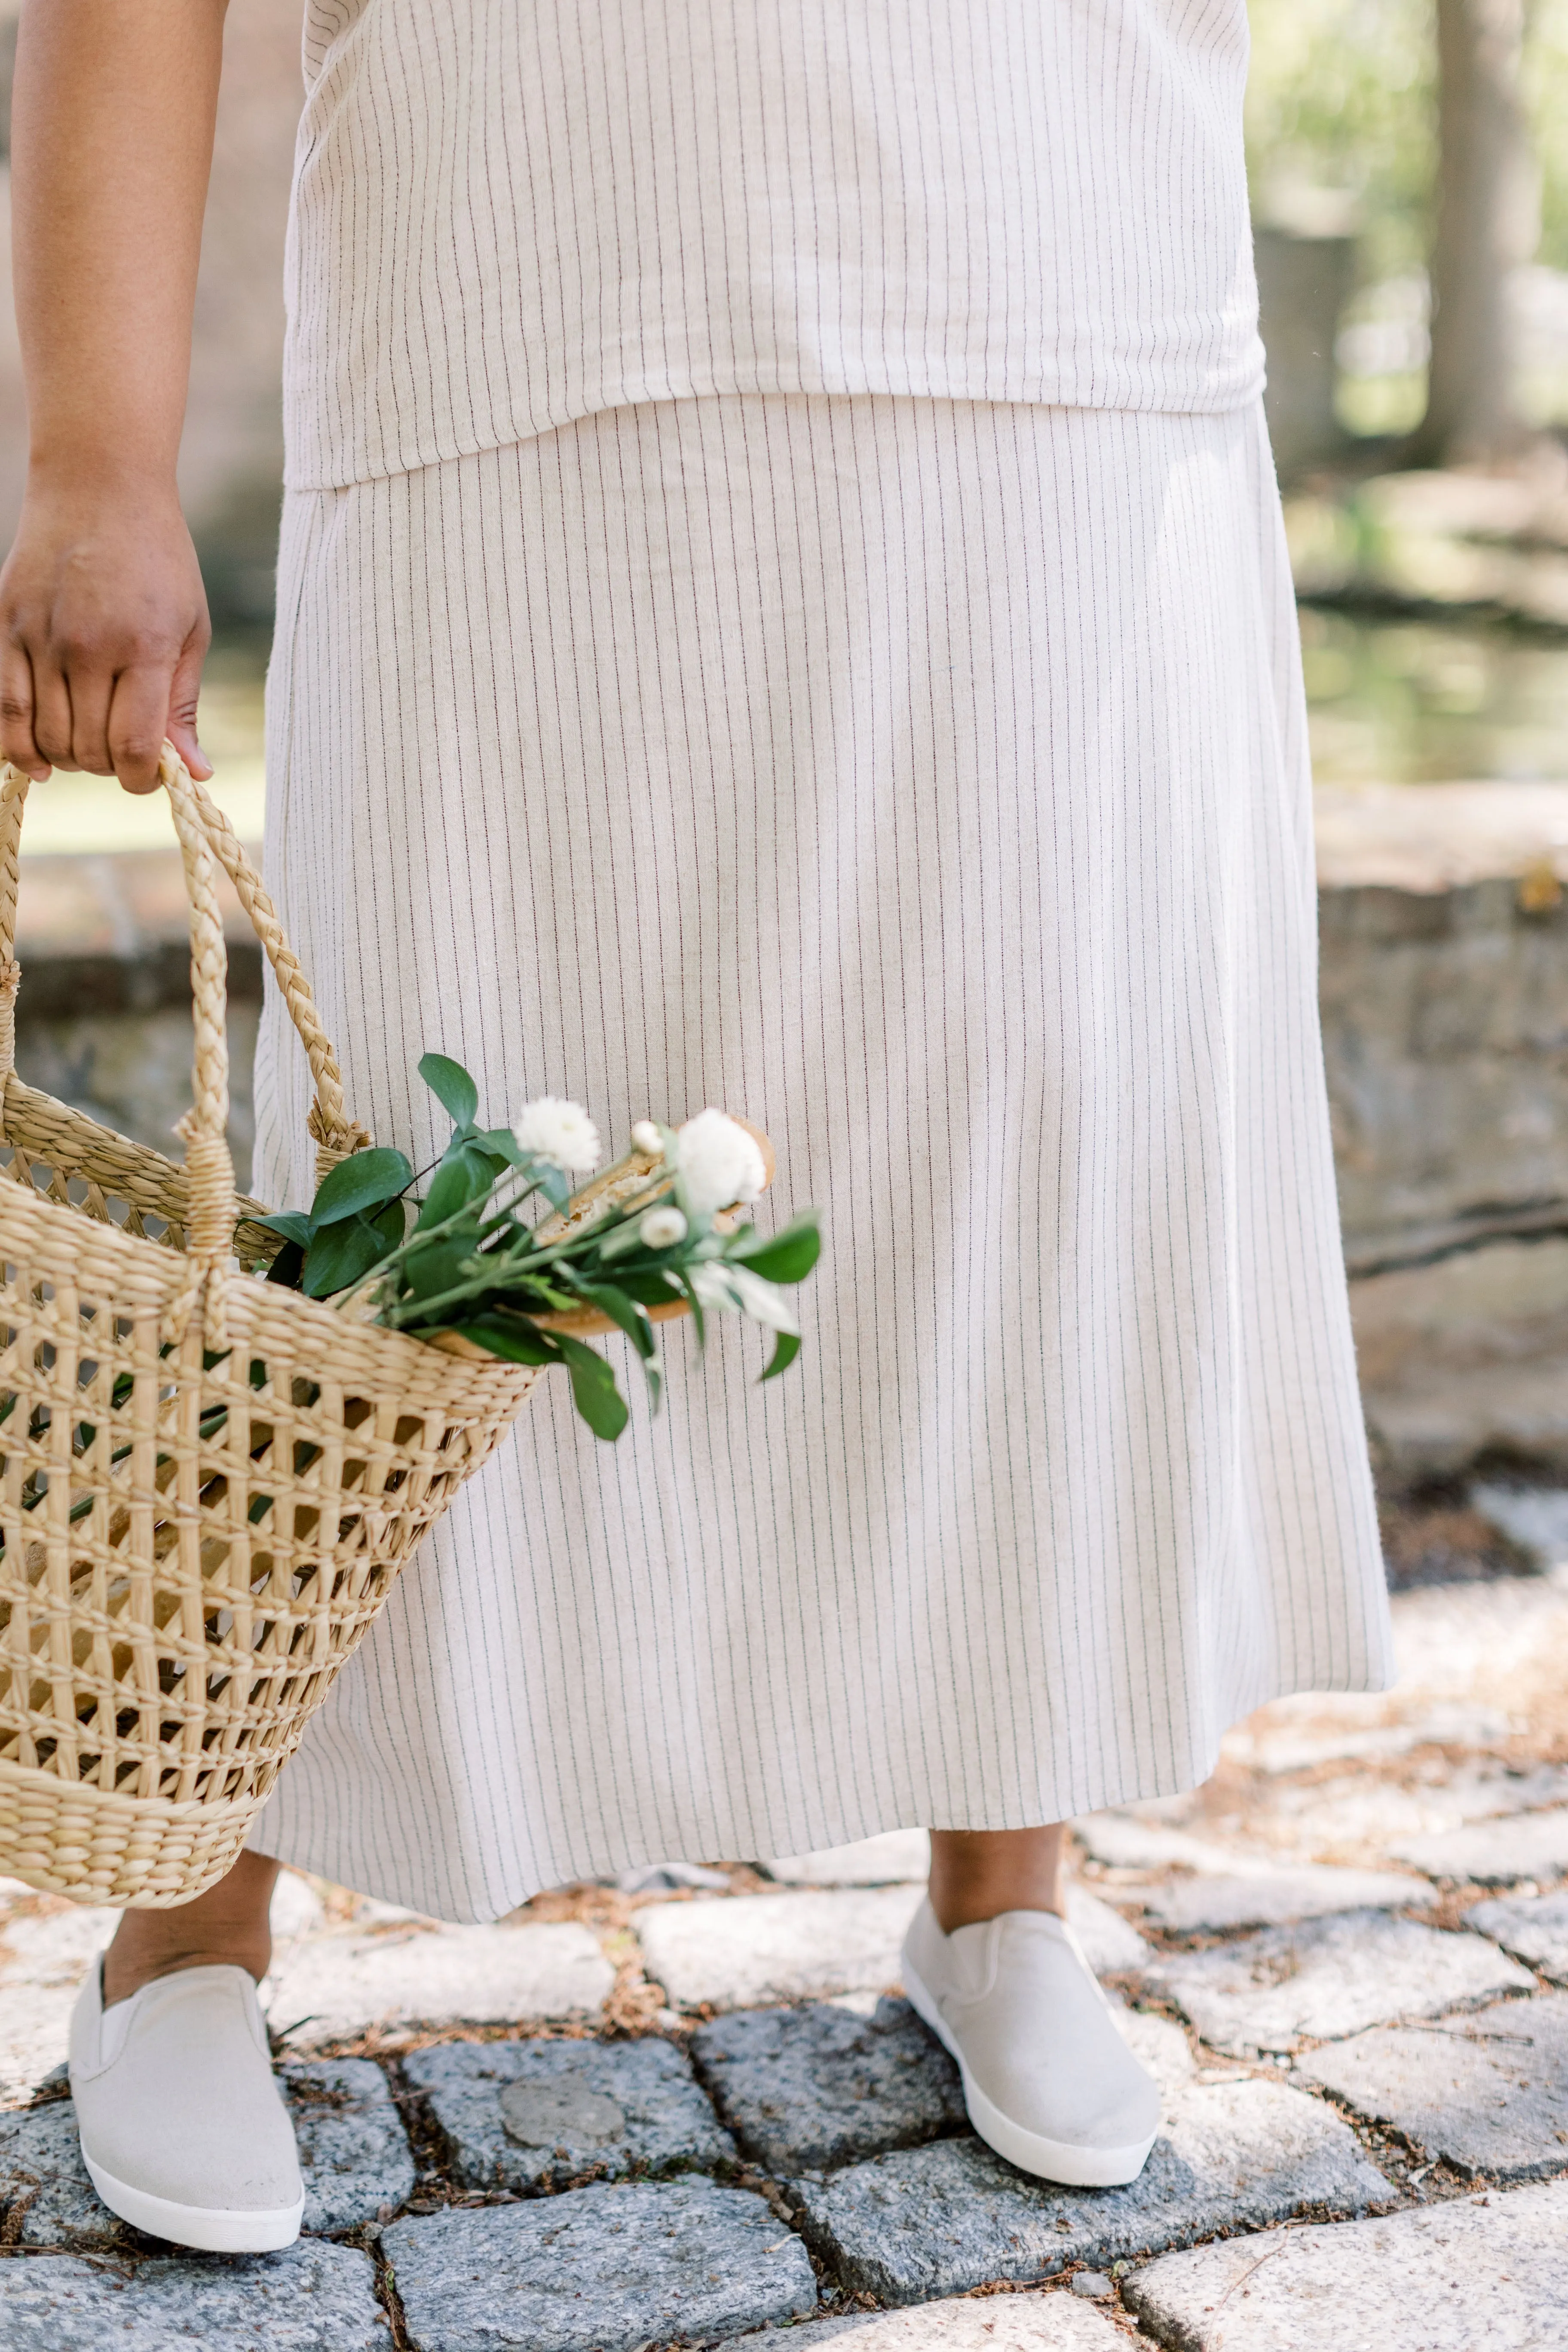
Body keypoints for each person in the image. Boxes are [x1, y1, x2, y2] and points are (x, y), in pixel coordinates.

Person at [1, 0, 1392, 2255]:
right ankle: (187, 1929)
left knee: (1022, 1106)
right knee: (407, 1186)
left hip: (1062, 279)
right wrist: (94, 451)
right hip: (527, 291)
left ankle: (1003, 1892)